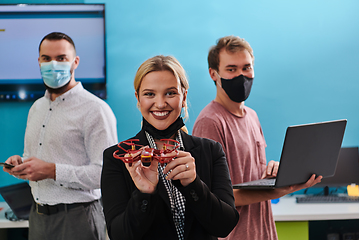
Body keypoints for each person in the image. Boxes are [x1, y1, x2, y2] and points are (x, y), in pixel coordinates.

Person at [192, 35, 322, 240]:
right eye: (231, 69)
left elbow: (247, 175)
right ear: (213, 74)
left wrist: (272, 173)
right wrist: (278, 191)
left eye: (246, 67)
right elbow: (212, 198)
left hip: (265, 233)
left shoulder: (252, 116)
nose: (241, 75)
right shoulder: (209, 122)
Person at [101, 55, 239, 240]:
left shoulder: (211, 151)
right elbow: (119, 235)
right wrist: (144, 194)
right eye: (149, 94)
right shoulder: (118, 158)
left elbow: (224, 226)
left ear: (184, 97)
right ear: (138, 98)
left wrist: (194, 184)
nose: (160, 103)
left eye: (170, 93)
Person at [3, 32, 118, 240]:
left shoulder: (96, 110)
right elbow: (31, 156)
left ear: (75, 62)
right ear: (39, 61)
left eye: (61, 58)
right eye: (46, 58)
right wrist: (21, 165)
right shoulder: (37, 108)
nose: (53, 64)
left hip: (78, 219)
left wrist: (52, 171)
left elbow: (105, 175)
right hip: (37, 218)